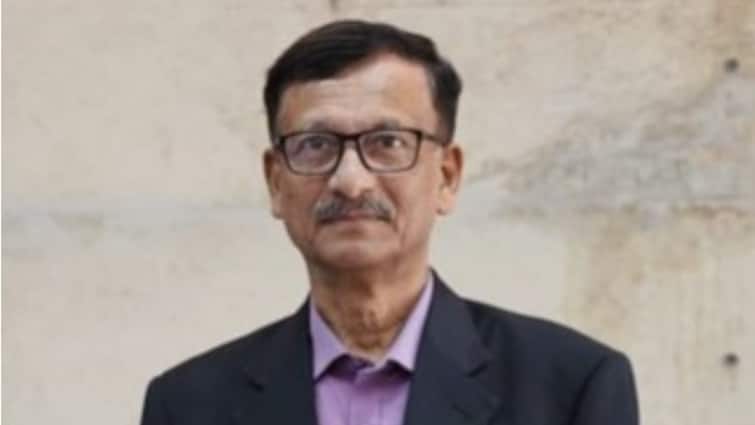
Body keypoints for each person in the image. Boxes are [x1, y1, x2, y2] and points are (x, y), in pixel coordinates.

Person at [140, 20, 639, 425]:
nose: (350, 181)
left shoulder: (570, 387)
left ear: (447, 176)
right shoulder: (188, 405)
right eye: (315, 145)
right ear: (275, 181)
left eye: (387, 143)